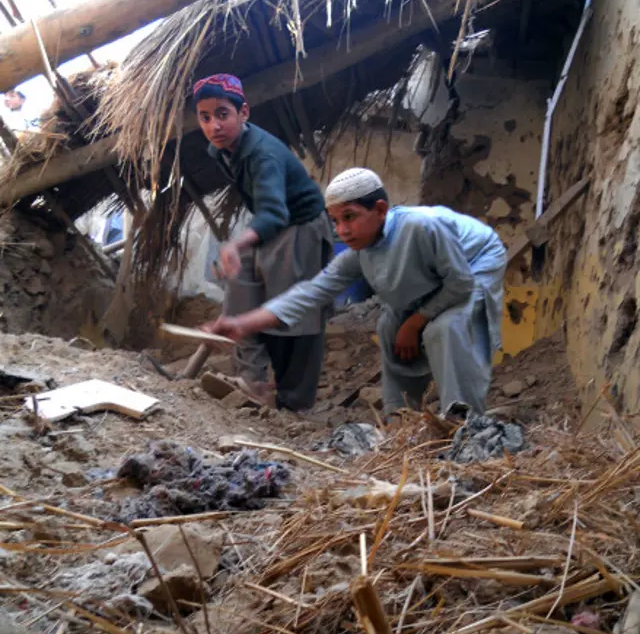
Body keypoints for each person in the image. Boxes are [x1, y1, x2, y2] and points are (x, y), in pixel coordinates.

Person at [203, 167, 507, 419]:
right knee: (389, 327)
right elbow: (311, 293)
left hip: (475, 261)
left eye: (349, 216)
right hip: (445, 274)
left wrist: (415, 322)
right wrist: (243, 323)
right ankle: (401, 418)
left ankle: (463, 420)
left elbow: (460, 283)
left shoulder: (420, 227)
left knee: (445, 327)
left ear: (380, 210)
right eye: (335, 220)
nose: (342, 230)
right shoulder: (360, 252)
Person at [193, 73, 333, 412]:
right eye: (205, 117)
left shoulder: (263, 155)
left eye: (223, 114)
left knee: (292, 316)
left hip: (301, 227)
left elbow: (274, 212)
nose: (214, 126)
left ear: (244, 112)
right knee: (239, 296)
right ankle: (251, 384)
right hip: (272, 226)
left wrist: (235, 245)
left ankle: (294, 403)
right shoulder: (220, 150)